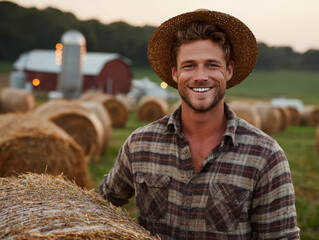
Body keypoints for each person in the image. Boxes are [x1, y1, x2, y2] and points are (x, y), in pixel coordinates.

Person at [99, 9, 300, 239]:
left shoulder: (266, 156)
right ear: (175, 73)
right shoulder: (140, 144)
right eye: (189, 65)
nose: (200, 76)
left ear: (229, 70)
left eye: (212, 65)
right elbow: (100, 204)